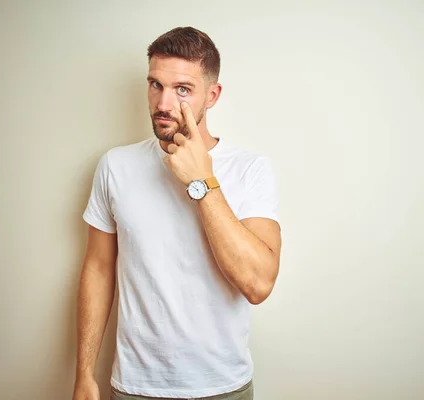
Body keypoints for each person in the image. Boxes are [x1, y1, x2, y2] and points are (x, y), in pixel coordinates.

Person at [72, 26, 282, 400]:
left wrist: (201, 182)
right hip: (135, 388)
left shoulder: (250, 170)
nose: (164, 103)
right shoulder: (115, 167)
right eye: (155, 85)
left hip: (224, 387)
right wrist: (85, 373)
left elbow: (258, 284)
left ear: (212, 95)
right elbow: (99, 269)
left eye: (182, 89)